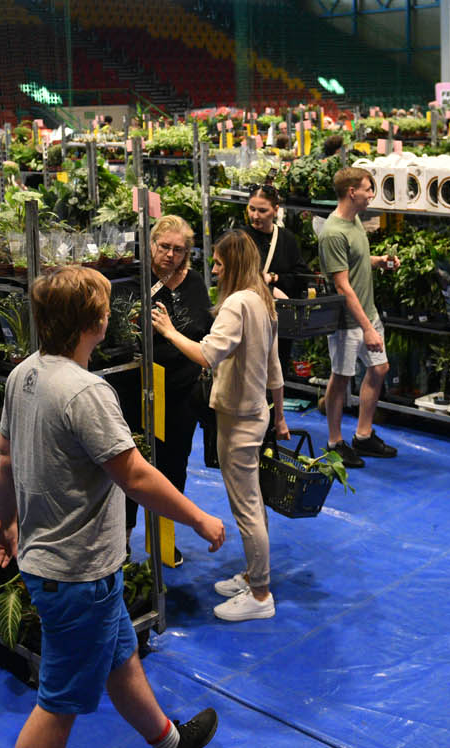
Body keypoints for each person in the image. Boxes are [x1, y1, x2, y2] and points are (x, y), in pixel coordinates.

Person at [0, 266, 223, 748]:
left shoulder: (24, 374)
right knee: (58, 704)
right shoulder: (85, 391)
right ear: (91, 323)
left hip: (55, 562)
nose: (111, 313)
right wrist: (198, 517)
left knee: (120, 655)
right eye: (105, 307)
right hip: (77, 574)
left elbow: (6, 456)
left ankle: (169, 743)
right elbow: (134, 476)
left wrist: (4, 519)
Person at [152, 230, 284, 622]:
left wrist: (168, 330)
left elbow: (208, 354)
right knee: (253, 502)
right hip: (254, 413)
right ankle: (253, 573)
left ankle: (260, 594)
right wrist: (279, 415)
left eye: (219, 264)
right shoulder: (263, 299)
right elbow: (274, 365)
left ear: (234, 265)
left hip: (239, 418)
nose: (212, 270)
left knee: (245, 507)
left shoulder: (238, 303)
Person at [317, 166, 397, 467]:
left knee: (379, 369)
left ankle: (363, 436)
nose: (372, 194)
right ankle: (334, 442)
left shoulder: (355, 224)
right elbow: (342, 285)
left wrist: (381, 262)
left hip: (368, 313)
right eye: (368, 189)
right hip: (347, 321)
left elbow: (358, 262)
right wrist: (368, 329)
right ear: (352, 192)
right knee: (341, 378)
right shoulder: (333, 233)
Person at [145, 216, 214, 548]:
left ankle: (163, 541)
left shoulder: (195, 282)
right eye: (164, 247)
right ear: (152, 244)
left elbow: (205, 331)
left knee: (175, 464)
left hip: (184, 392)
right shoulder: (136, 280)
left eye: (179, 249)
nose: (170, 255)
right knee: (139, 465)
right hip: (142, 389)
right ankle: (126, 542)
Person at [239, 184, 307, 426]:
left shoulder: (287, 240)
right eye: (251, 209)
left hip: (278, 321)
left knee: (276, 373)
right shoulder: (240, 237)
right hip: (247, 321)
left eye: (262, 210)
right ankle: (253, 425)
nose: (255, 216)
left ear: (276, 210)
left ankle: (273, 424)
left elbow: (300, 276)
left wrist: (275, 278)